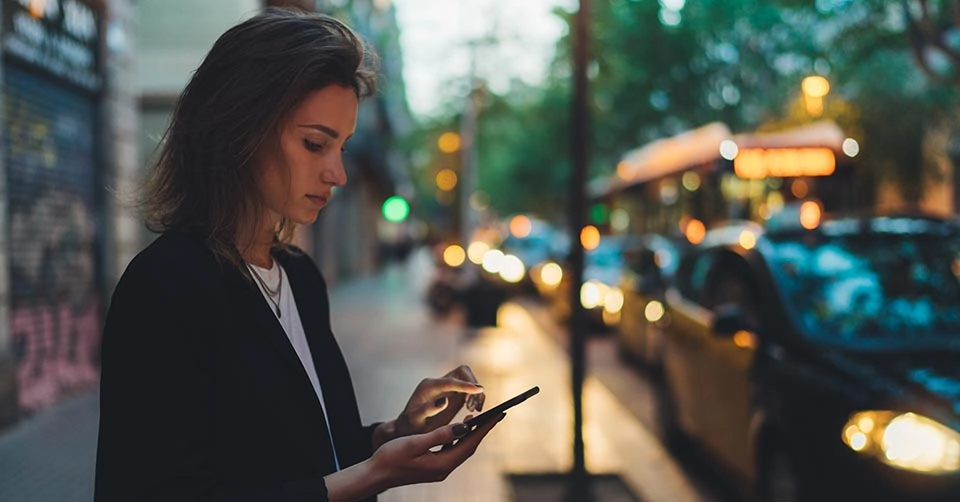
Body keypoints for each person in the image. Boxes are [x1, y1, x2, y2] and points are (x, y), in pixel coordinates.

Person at [94, 8, 502, 502]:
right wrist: (374, 476)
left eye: (342, 148)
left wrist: (393, 433)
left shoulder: (300, 276)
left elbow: (320, 450)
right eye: (314, 144)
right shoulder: (166, 285)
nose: (337, 174)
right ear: (238, 130)